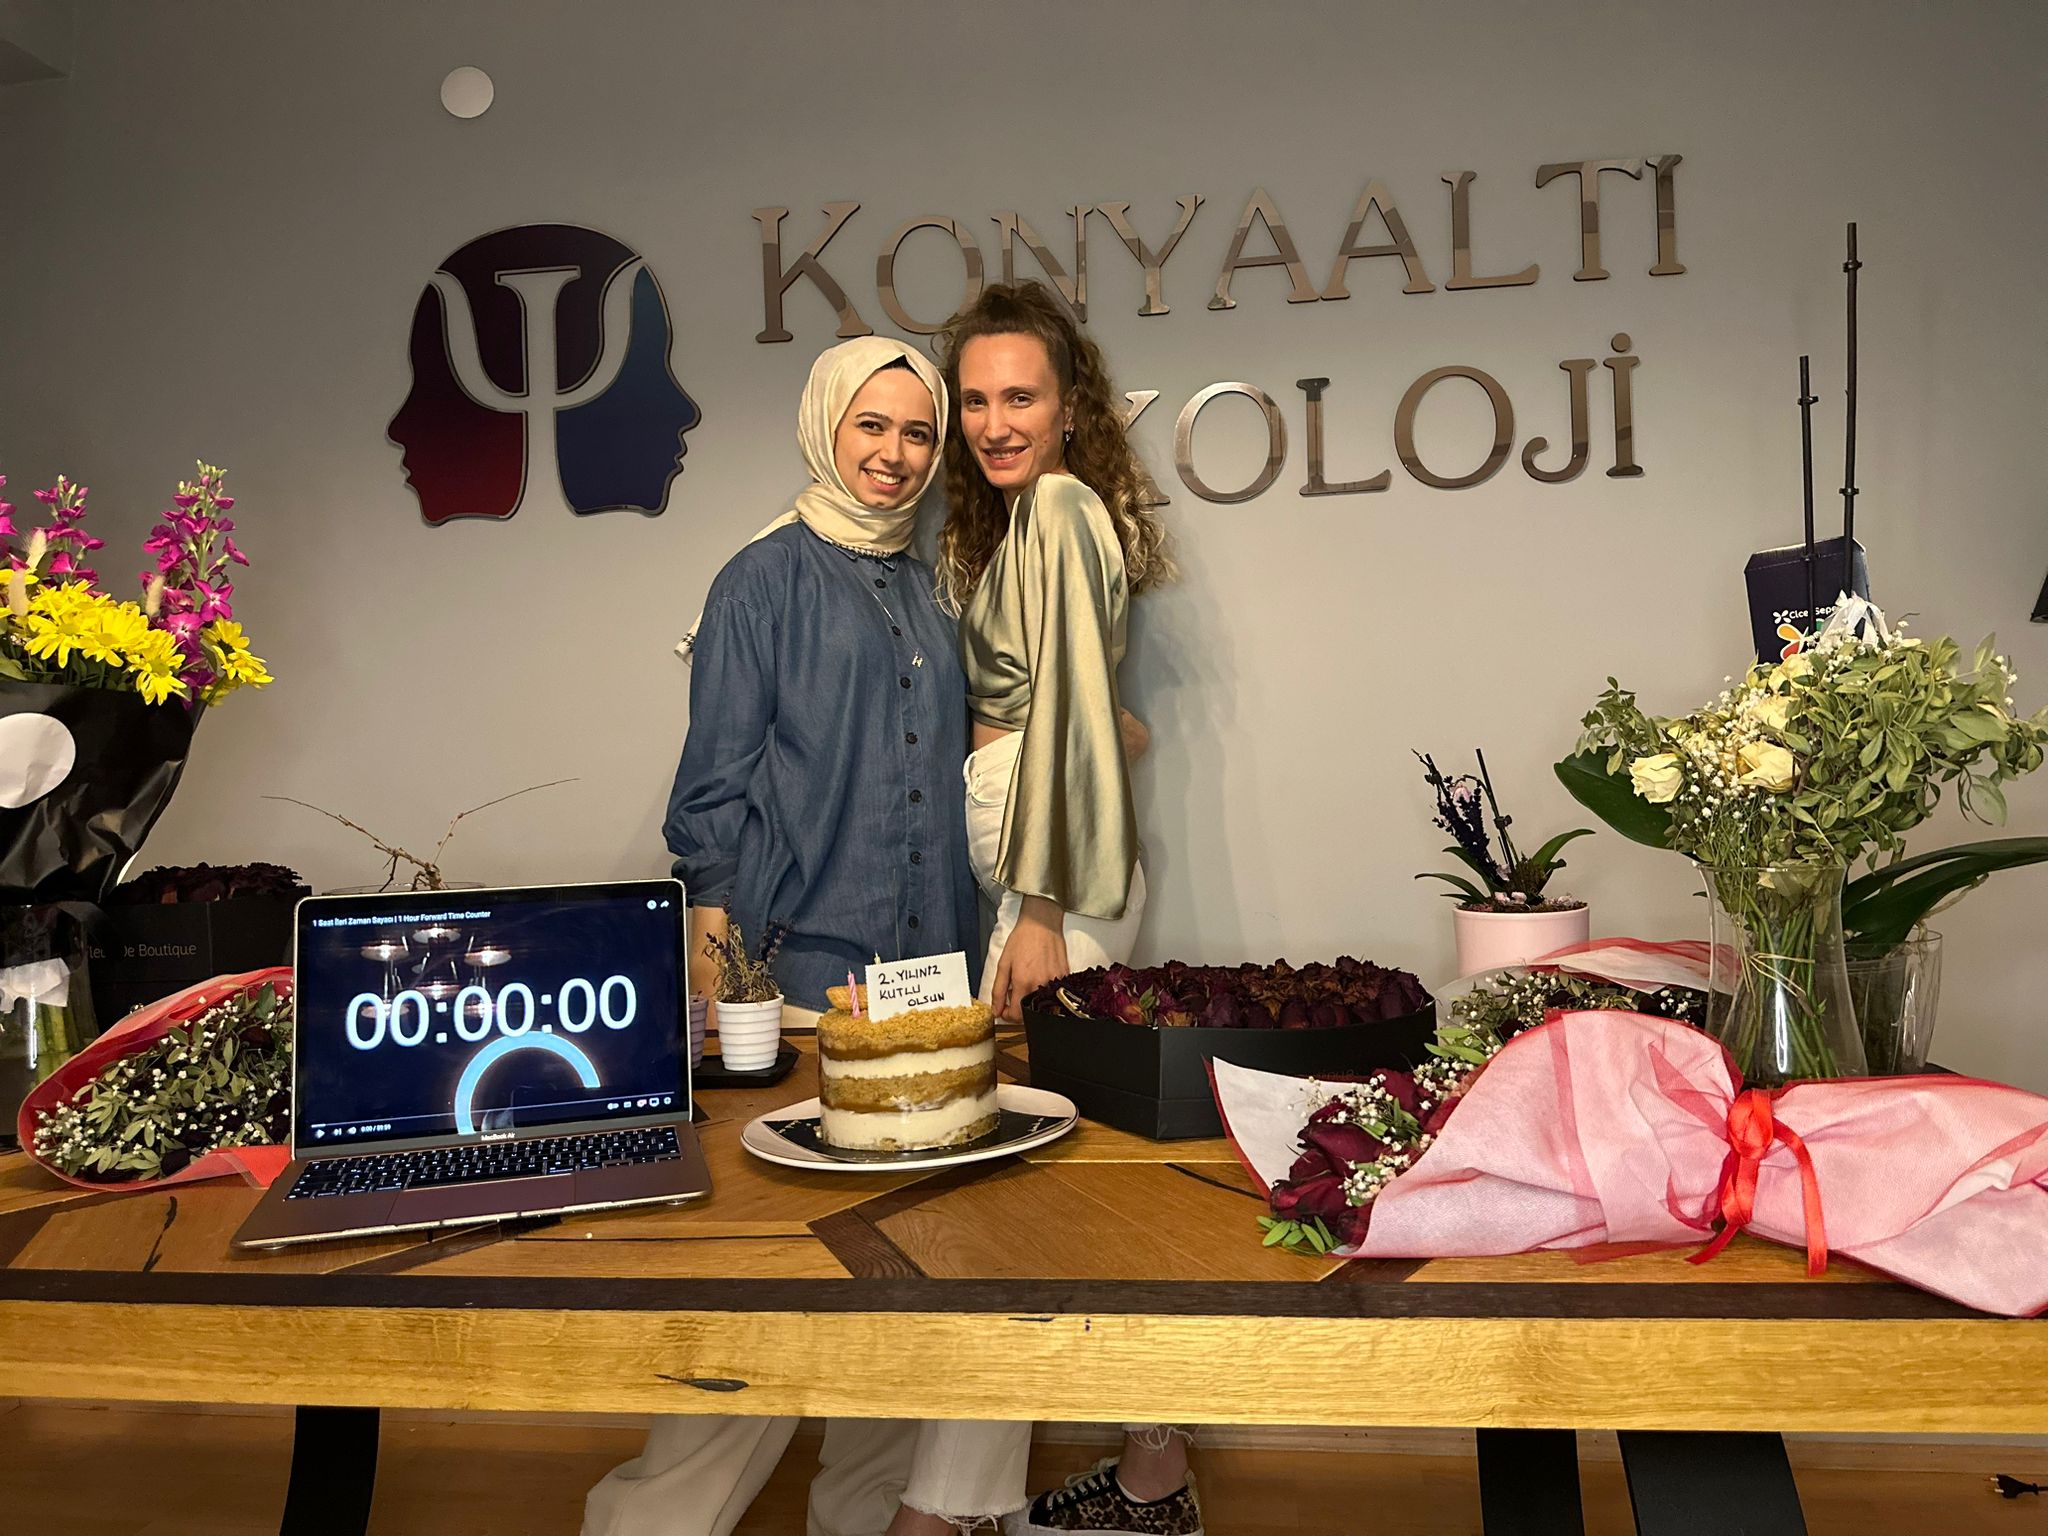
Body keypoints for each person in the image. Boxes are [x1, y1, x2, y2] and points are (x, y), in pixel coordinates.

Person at [584, 335, 967, 1536]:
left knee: (902, 1293)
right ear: (823, 427)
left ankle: (860, 1517)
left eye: (916, 432)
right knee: (772, 1292)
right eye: (871, 426)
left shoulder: (932, 585)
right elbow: (714, 782)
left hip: (927, 983)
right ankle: (649, 1525)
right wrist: (712, 961)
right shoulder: (759, 580)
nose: (893, 454)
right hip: (802, 971)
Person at [884, 283, 1196, 1536]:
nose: (993, 423)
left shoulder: (1059, 508)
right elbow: (1082, 699)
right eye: (974, 400)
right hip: (1028, 847)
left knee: (1006, 1193)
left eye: (1020, 397)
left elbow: (1066, 711)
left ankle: (949, 1513)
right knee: (1044, 1180)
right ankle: (1153, 1470)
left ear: (1071, 409)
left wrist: (1038, 910)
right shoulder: (1033, 517)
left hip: (1048, 867)